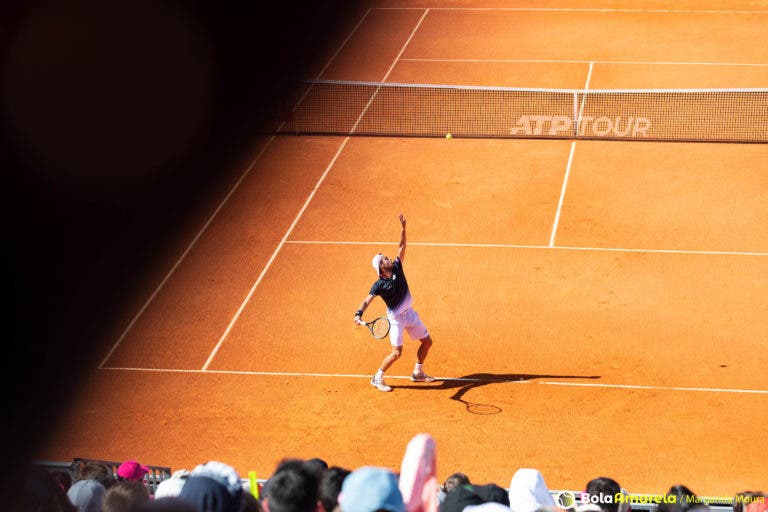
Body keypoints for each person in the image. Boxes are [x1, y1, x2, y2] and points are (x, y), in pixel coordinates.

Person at [353, 213, 436, 392]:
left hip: (409, 313)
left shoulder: (398, 266)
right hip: (397, 318)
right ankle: (377, 377)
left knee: (427, 342)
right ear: (381, 269)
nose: (387, 258)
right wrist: (358, 314)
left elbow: (401, 246)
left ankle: (417, 372)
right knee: (397, 353)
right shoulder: (379, 284)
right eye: (383, 259)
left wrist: (403, 229)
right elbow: (367, 300)